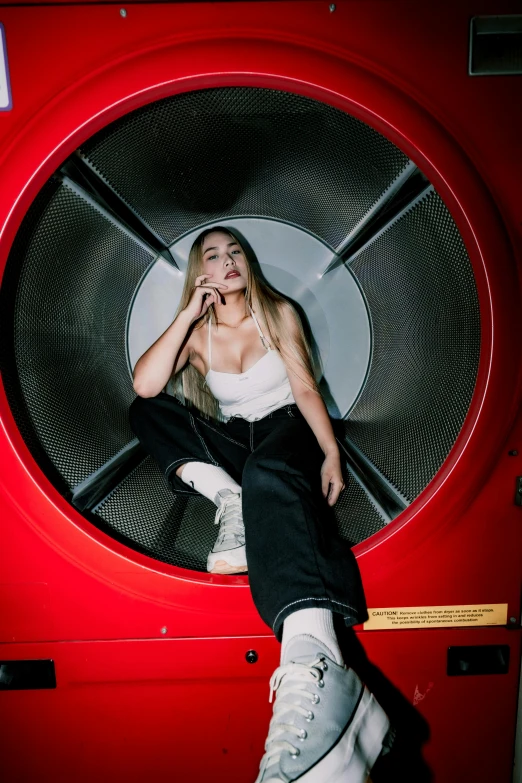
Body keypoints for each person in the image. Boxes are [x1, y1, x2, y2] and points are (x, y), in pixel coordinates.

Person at [129, 226, 392, 782]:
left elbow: (304, 389)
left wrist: (329, 454)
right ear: (199, 271)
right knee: (146, 412)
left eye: (235, 253)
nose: (227, 263)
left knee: (268, 469)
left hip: (288, 430)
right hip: (238, 444)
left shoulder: (279, 314)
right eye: (212, 256)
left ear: (249, 263)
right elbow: (148, 386)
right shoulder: (196, 336)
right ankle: (229, 497)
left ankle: (318, 660)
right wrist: (187, 316)